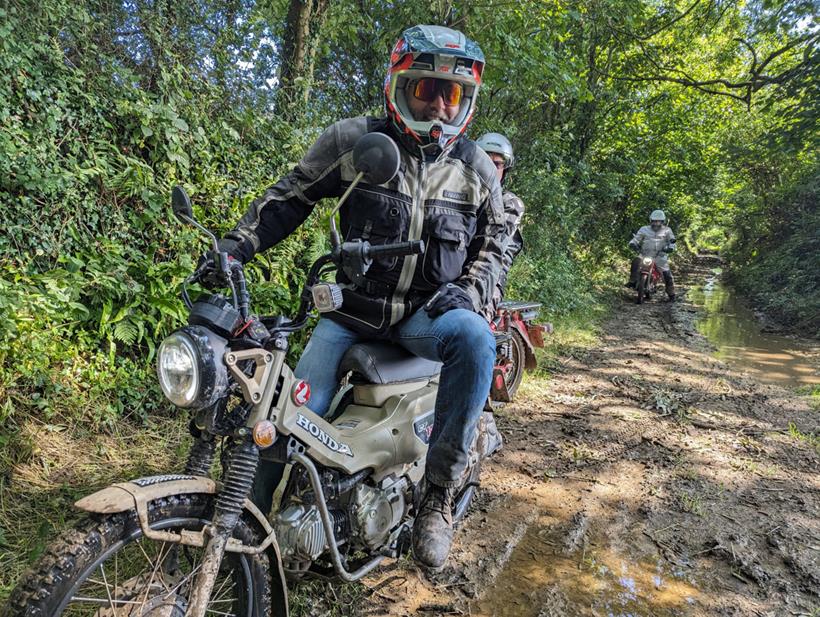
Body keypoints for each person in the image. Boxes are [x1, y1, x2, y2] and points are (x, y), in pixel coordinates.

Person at [203, 25, 506, 570]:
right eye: (425, 89)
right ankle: (248, 537)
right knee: (284, 418)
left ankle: (437, 495)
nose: (439, 104)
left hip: (426, 317)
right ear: (398, 86)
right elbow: (291, 195)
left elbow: (495, 246)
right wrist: (235, 247)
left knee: (478, 341)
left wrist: (468, 289)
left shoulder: (476, 169)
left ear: (467, 101)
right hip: (348, 312)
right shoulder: (353, 141)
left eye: (452, 94)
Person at [475, 132, 524, 319]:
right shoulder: (461, 197)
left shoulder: (510, 203)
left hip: (490, 276)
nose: (491, 167)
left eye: (497, 164)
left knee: (474, 326)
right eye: (486, 160)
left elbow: (493, 249)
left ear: (504, 170)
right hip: (453, 275)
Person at [626, 209, 677, 301]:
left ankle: (671, 294)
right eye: (654, 221)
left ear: (662, 221)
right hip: (645, 253)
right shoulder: (644, 229)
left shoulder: (667, 230)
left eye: (658, 221)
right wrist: (633, 243)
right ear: (651, 220)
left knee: (667, 275)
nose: (656, 223)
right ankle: (632, 281)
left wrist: (671, 247)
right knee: (636, 261)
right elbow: (636, 238)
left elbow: (672, 241)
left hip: (660, 256)